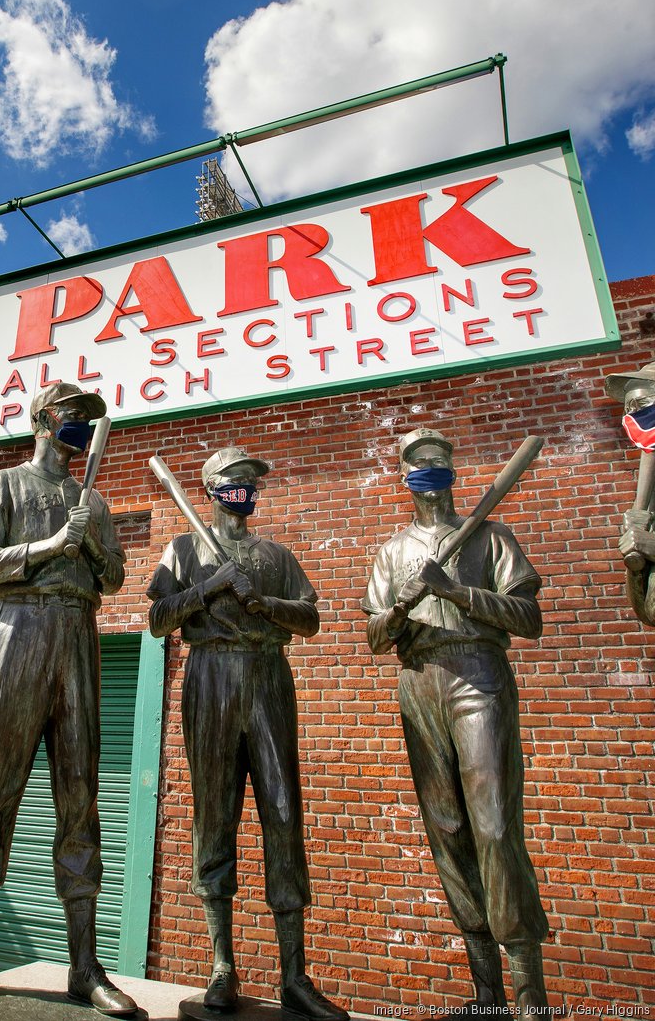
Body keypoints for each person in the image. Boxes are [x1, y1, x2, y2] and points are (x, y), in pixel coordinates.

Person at [0, 382, 138, 1017]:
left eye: (87, 422)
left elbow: (117, 576)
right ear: (43, 420)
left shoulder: (91, 500)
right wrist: (47, 547)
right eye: (71, 418)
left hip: (77, 632)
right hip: (18, 629)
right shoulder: (3, 485)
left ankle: (84, 966)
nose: (79, 429)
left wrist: (88, 540)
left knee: (81, 797)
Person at [146, 447, 347, 1020]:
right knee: (215, 814)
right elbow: (159, 618)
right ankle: (221, 968)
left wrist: (265, 602)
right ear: (210, 488)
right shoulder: (183, 550)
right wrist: (209, 588)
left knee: (283, 813)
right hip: (209, 675)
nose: (246, 488)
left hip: (267, 677)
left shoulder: (276, 555)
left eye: (252, 481)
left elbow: (309, 618)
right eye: (235, 480)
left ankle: (294, 975)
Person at [362, 428, 550, 1019]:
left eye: (440, 463)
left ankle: (529, 994)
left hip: (477, 673)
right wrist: (399, 609)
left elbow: (529, 618)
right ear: (405, 476)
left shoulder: (492, 537)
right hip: (418, 680)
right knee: (447, 830)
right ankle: (487, 993)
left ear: (452, 470)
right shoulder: (392, 552)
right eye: (419, 465)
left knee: (493, 825)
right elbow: (372, 637)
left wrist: (458, 593)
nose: (430, 472)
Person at [604, 361, 655, 627]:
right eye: (629, 407)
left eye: (642, 405)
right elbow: (648, 612)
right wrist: (636, 568)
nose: (633, 414)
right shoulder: (649, 501)